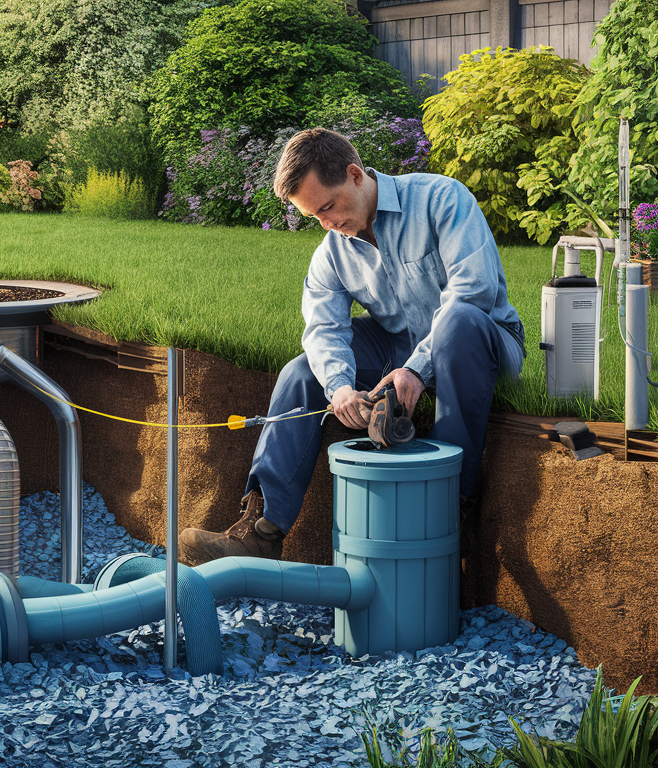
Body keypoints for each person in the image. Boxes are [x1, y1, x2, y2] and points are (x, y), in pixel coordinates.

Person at [178, 128, 526, 566]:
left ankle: (447, 509)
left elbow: (472, 292)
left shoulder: (441, 199)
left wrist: (417, 368)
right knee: (303, 372)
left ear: (355, 175)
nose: (327, 224)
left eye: (327, 207)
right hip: (398, 342)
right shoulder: (332, 250)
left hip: (483, 337)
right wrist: (339, 388)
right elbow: (323, 328)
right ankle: (262, 529)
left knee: (456, 321)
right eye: (314, 217)